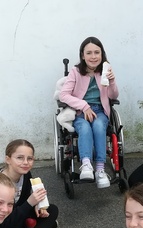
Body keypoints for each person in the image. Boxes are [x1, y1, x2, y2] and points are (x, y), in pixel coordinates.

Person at [59, 36, 119, 188]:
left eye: (97, 52)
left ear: (102, 54)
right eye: (89, 53)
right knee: (84, 128)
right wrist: (84, 105)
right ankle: (86, 164)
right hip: (80, 111)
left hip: (100, 110)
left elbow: (113, 96)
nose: (93, 57)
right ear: (82, 55)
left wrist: (112, 81)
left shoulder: (106, 71)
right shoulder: (75, 72)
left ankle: (100, 169)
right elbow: (63, 95)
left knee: (99, 126)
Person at [0, 139, 59, 228]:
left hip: (19, 218)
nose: (26, 162)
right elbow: (3, 221)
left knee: (53, 210)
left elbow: (24, 202)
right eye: (20, 158)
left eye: (30, 158)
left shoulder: (25, 175)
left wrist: (37, 205)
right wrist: (30, 203)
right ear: (8, 159)